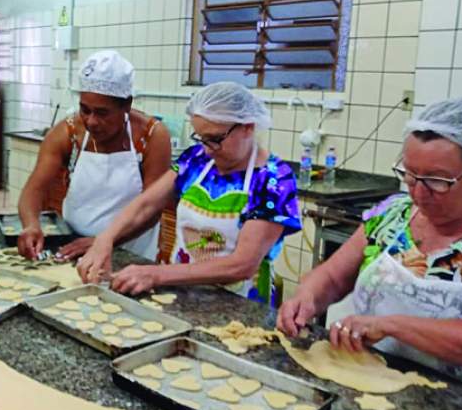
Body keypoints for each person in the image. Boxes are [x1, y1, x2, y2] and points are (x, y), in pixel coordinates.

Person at [278, 96, 462, 387]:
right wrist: (307, 298)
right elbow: (334, 276)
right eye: (410, 175)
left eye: (438, 181)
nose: (419, 193)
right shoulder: (392, 214)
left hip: (461, 406)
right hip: (369, 380)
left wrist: (392, 325)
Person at [78, 82, 300, 305]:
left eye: (215, 139)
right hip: (179, 293)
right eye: (201, 138)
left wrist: (155, 274)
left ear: (248, 127)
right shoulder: (196, 160)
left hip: (240, 303)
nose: (207, 148)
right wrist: (105, 239)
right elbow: (147, 204)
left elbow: (242, 265)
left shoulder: (274, 180)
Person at [17, 50, 172, 262]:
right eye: (85, 109)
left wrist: (105, 241)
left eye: (102, 113)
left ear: (126, 104)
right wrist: (31, 224)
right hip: (73, 246)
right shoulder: (68, 132)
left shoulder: (152, 135)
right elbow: (33, 189)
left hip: (131, 250)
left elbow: (152, 208)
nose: (91, 121)